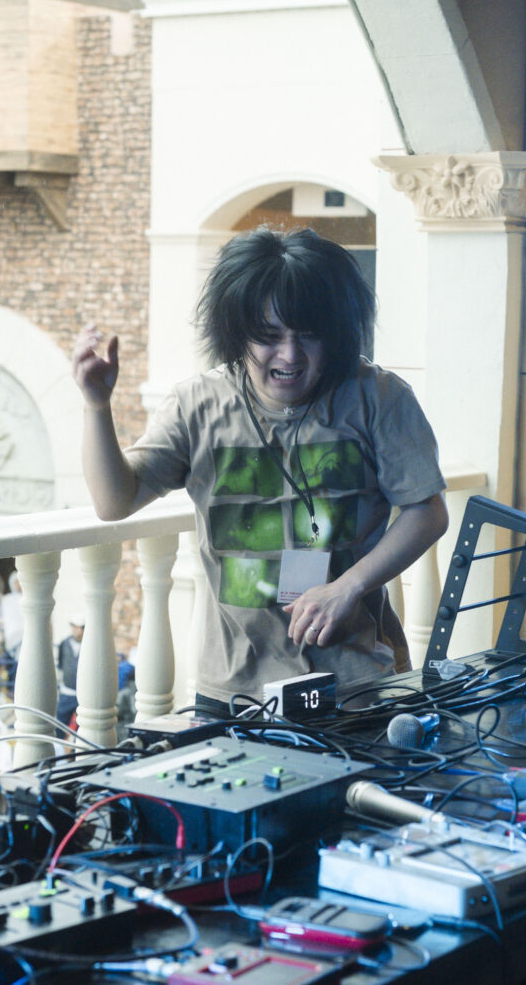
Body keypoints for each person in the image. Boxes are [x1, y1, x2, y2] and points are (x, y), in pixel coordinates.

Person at [73, 227, 448, 709]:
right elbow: (114, 502)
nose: (290, 355)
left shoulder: (378, 397)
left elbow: (427, 511)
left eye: (308, 335)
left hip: (356, 682)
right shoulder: (197, 405)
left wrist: (348, 587)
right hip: (233, 689)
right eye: (269, 337)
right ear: (236, 332)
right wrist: (96, 407)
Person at [55, 613, 83, 727]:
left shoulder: (89, 645)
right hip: (67, 691)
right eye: (73, 627)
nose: (75, 630)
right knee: (60, 724)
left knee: (82, 726)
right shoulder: (65, 643)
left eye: (78, 627)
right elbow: (60, 664)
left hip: (83, 694)